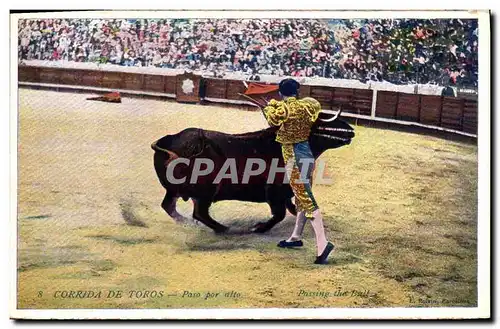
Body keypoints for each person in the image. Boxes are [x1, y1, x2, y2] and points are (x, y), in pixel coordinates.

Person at [262, 78, 335, 264]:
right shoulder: (308, 105)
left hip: (293, 157)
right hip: (307, 153)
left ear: (280, 92)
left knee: (305, 198)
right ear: (298, 91)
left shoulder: (282, 109)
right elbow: (314, 107)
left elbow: (272, 120)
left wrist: (270, 104)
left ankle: (322, 243)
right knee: (301, 195)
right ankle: (295, 237)